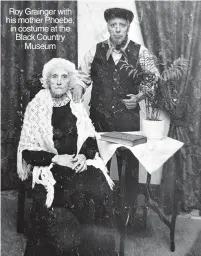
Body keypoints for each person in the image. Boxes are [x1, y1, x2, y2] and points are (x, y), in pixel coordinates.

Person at [17, 58, 117, 256]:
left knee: (99, 187)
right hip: (50, 167)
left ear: (70, 80)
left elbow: (89, 136)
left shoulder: (76, 105)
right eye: (55, 77)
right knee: (66, 197)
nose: (60, 81)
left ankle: (94, 250)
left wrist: (82, 156)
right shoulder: (36, 107)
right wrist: (55, 159)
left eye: (64, 77)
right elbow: (27, 150)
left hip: (76, 162)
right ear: (47, 80)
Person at [72, 7, 159, 207]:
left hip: (127, 121)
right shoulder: (95, 50)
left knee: (128, 168)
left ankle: (126, 212)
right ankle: (100, 209)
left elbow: (153, 78)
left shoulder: (140, 52)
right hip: (99, 120)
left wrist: (139, 97)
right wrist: (78, 85)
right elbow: (82, 76)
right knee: (95, 163)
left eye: (122, 25)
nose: (117, 29)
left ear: (128, 26)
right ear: (108, 27)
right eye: (113, 25)